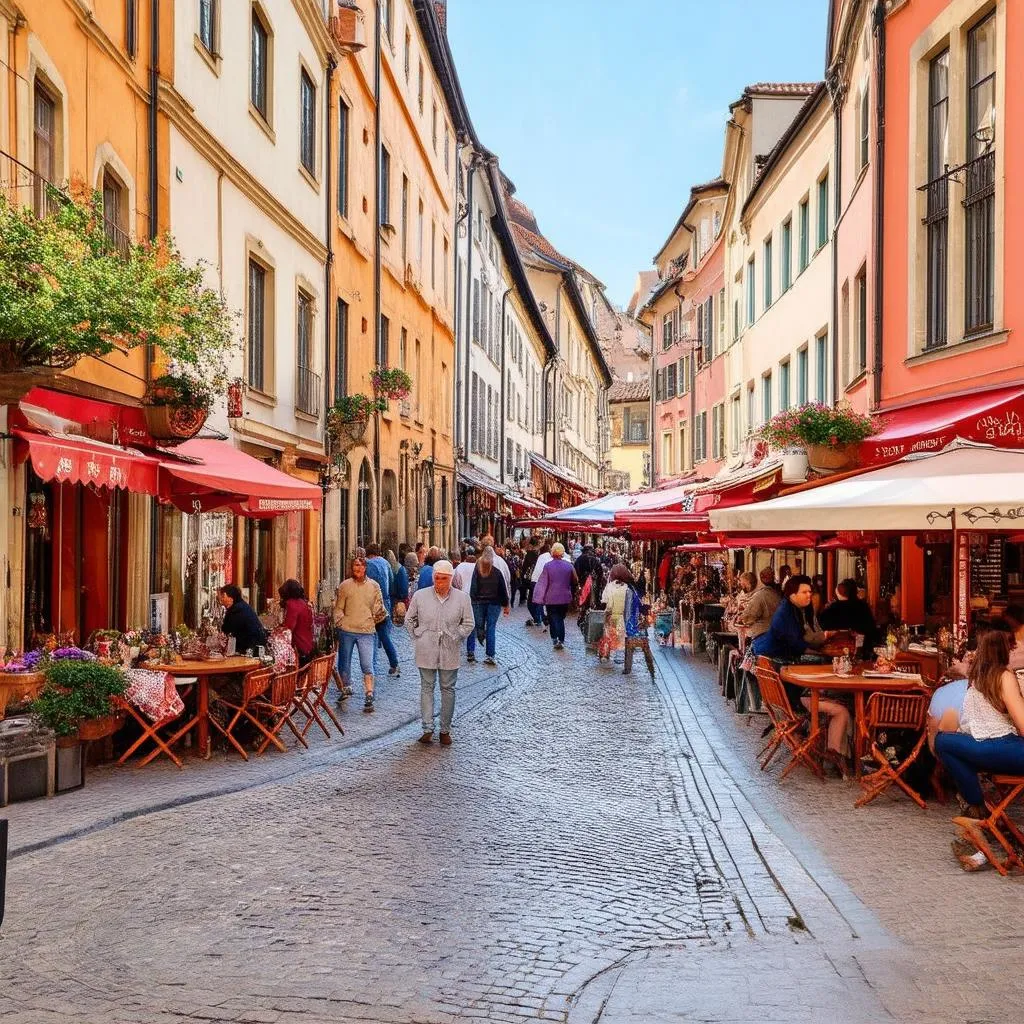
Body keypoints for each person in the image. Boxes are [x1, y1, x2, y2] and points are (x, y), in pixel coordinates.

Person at [935, 629, 1024, 870]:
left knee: (943, 742)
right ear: (1006, 651)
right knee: (945, 741)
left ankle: (977, 809)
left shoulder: (976, 678)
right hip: (1004, 748)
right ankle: (981, 815)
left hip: (981, 748)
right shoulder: (1005, 676)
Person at [752, 575, 850, 772]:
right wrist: (822, 652)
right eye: (804, 592)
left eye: (810, 592)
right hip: (790, 687)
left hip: (785, 679)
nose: (809, 596)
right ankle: (837, 757)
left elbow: (803, 639)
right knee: (841, 706)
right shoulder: (785, 614)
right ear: (792, 594)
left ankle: (833, 754)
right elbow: (797, 645)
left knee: (836, 693)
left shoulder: (796, 610)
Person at [406, 559, 475, 746]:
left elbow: (468, 623)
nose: (440, 583)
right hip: (426, 649)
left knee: (448, 689)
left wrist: (456, 636)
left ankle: (445, 730)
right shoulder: (420, 596)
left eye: (444, 579)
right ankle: (427, 728)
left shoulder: (462, 598)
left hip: (449, 650)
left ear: (451, 579)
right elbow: (409, 619)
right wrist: (418, 636)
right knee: (426, 688)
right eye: (437, 579)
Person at [333, 556, 387, 713]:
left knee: (367, 663)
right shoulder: (345, 586)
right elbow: (338, 607)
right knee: (345, 661)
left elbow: (379, 607)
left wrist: (373, 619)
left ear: (365, 567)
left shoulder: (374, 586)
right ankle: (345, 687)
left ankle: (369, 694)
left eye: (360, 565)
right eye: (354, 565)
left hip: (366, 631)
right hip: (347, 630)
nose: (357, 568)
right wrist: (340, 622)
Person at [533, 542, 579, 651]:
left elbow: (543, 583)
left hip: (551, 598)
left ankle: (554, 638)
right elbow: (575, 580)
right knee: (560, 618)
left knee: (553, 618)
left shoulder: (548, 566)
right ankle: (561, 640)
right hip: (564, 597)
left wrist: (539, 597)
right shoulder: (569, 566)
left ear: (552, 553)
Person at [470, 547, 510, 665]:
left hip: (479, 602)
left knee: (479, 625)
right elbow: (503, 590)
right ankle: (490, 655)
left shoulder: (477, 571)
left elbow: (473, 586)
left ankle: (482, 639)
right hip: (494, 603)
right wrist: (506, 604)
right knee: (491, 627)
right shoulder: (497, 572)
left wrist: (473, 599)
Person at [365, 542, 400, 677]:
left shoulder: (368, 564)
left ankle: (371, 667)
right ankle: (394, 662)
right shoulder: (385, 563)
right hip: (385, 601)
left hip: (372, 602)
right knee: (384, 635)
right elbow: (391, 581)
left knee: (371, 635)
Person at [819, 579, 878, 652]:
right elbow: (871, 629)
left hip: (834, 650)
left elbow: (821, 627)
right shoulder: (863, 607)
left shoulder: (832, 608)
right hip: (861, 649)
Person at [217, 584, 268, 657]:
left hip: (251, 650)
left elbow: (227, 630)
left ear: (231, 598)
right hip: (254, 647)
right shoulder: (241, 606)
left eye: (223, 596)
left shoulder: (237, 610)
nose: (221, 599)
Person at [737, 568, 781, 642]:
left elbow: (748, 617)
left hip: (764, 636)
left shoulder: (760, 595)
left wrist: (741, 618)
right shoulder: (776, 593)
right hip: (776, 633)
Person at [600, 564, 634, 659]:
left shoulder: (609, 586)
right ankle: (622, 657)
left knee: (608, 636)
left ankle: (606, 654)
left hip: (610, 617)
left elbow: (604, 601)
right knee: (622, 639)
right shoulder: (628, 588)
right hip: (623, 619)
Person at [452, 546, 479, 662]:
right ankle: (470, 651)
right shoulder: (478, 567)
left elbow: (454, 582)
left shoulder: (460, 566)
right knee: (471, 623)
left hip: (461, 597)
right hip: (474, 598)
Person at [279, 579, 314, 666]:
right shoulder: (303, 603)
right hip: (308, 646)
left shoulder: (292, 604)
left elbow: (288, 628)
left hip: (299, 649)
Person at [528, 541, 553, 627]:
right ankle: (540, 619)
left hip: (533, 580)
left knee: (533, 601)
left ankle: (537, 618)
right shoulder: (549, 558)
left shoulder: (541, 556)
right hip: (540, 582)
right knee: (540, 602)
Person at [520, 538, 540, 611]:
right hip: (531, 575)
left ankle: (523, 599)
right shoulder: (534, 554)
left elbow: (525, 565)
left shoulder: (530, 553)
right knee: (529, 588)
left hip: (527, 575)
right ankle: (526, 599)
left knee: (525, 586)